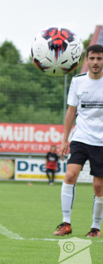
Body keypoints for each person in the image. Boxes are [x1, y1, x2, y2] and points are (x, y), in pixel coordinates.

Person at [53, 44, 103, 238]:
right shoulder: (78, 81)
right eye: (92, 58)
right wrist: (64, 139)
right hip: (80, 138)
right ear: (86, 60)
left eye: (99, 59)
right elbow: (71, 111)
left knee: (99, 187)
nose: (96, 62)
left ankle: (95, 227)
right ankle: (66, 223)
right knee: (70, 175)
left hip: (101, 143)